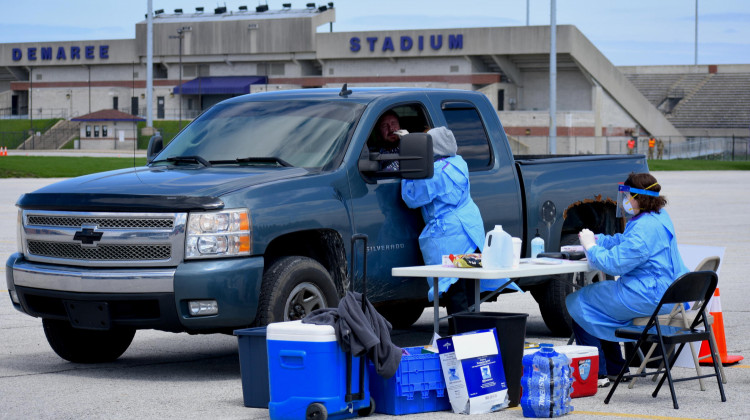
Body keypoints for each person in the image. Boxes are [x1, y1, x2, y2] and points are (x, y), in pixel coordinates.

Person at [565, 172, 688, 387]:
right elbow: (626, 242)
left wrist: (591, 248)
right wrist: (599, 239)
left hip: (648, 295)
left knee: (580, 302)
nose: (625, 201)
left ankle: (596, 373)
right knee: (601, 303)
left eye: (628, 196)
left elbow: (614, 264)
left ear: (638, 197)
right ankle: (616, 367)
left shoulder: (643, 229)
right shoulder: (657, 217)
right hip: (669, 291)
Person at [400, 127, 488, 315]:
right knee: (469, 287)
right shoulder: (458, 163)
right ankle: (474, 335)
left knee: (456, 291)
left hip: (451, 238)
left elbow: (411, 197)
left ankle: (461, 337)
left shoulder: (438, 173)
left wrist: (409, 155)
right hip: (471, 235)